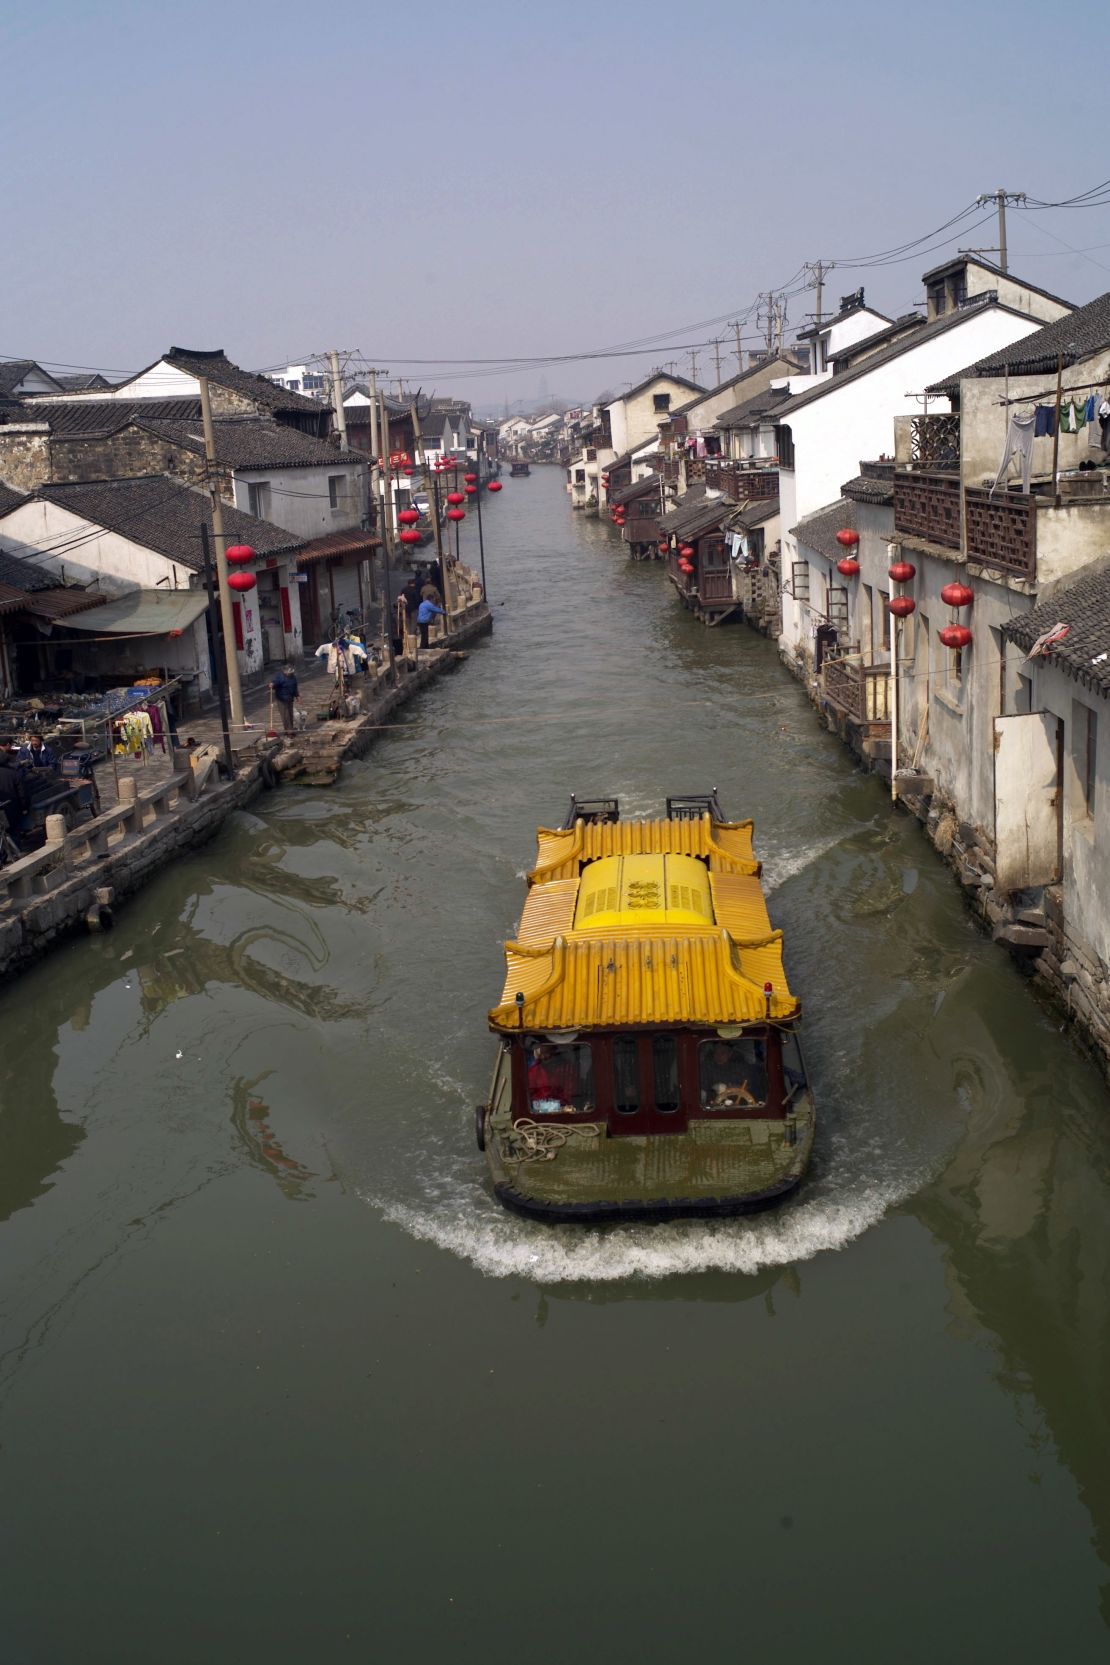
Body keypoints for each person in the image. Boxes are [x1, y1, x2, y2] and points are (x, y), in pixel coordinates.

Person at [528, 1044, 577, 1111]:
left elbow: (570, 1095)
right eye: (542, 1053)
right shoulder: (533, 1071)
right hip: (538, 1113)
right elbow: (529, 1095)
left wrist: (558, 1106)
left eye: (548, 1053)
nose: (545, 1057)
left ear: (555, 1052)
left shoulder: (567, 1069)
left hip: (562, 1112)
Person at [0, 750, 28, 848]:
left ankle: (2, 857)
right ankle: (16, 851)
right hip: (12, 807)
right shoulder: (14, 774)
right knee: (14, 830)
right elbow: (22, 793)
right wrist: (24, 807)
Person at [271, 664, 299, 733]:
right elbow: (275, 684)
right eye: (289, 672)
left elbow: (295, 686)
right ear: (285, 672)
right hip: (281, 698)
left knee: (290, 714)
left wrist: (297, 695)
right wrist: (272, 684)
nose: (291, 673)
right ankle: (289, 731)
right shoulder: (279, 676)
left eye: (291, 672)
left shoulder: (293, 677)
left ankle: (291, 728)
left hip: (290, 698)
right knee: (285, 715)